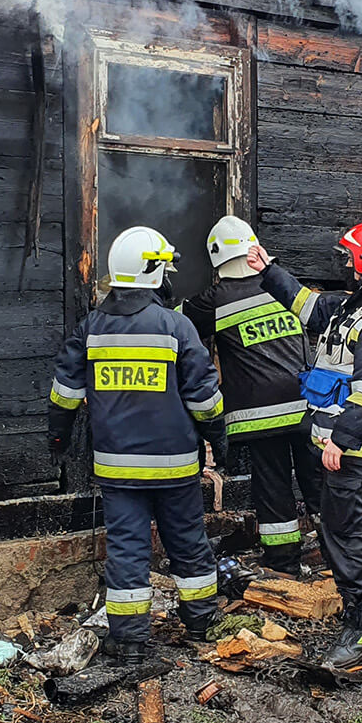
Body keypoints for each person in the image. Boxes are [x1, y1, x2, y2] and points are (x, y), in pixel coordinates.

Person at [48, 226, 229, 666]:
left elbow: (64, 395)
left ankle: (129, 642)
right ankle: (201, 622)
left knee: (127, 549)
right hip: (175, 469)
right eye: (164, 267)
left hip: (118, 470)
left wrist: (58, 439)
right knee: (188, 541)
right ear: (151, 271)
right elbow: (205, 399)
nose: (169, 275)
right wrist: (218, 441)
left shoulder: (90, 329)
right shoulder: (176, 326)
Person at [247, 222, 362, 669]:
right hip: (339, 441)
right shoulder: (354, 307)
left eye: (349, 257)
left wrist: (341, 440)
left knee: (345, 531)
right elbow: (308, 307)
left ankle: (361, 629)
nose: (344, 264)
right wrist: (269, 269)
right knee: (346, 526)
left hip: (353, 445)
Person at [185, 216, 323, 577]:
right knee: (318, 482)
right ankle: (336, 553)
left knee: (273, 488)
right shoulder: (283, 286)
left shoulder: (213, 301)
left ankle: (283, 564)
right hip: (307, 406)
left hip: (260, 416)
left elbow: (170, 322)